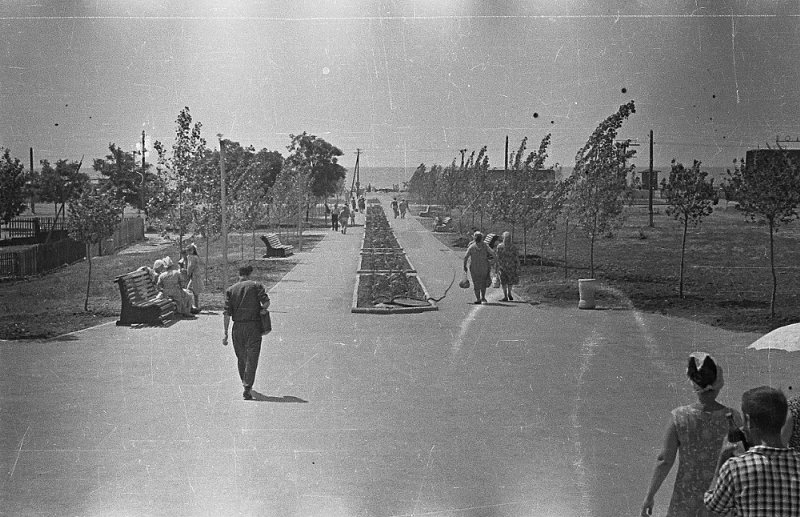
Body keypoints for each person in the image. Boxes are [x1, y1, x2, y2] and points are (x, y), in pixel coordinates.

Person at [641, 353, 741, 517]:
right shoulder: (733, 417)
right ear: (718, 382)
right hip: (720, 500)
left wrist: (649, 496)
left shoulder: (679, 416)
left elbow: (664, 460)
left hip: (685, 500)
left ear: (693, 383)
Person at [704, 386, 800, 516]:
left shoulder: (735, 468)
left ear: (749, 421)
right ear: (783, 420)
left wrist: (722, 460)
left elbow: (714, 505)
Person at [223, 264, 271, 400]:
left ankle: (244, 382)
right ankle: (247, 386)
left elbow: (226, 314)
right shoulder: (256, 286)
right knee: (252, 357)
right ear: (250, 274)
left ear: (239, 274)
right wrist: (262, 310)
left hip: (237, 328)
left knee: (241, 357)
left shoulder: (231, 290)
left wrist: (225, 333)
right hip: (253, 326)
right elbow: (266, 303)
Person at [463, 231, 495, 304]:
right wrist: (495, 262)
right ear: (482, 238)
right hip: (484, 266)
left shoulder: (472, 246)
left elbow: (466, 257)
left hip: (474, 267)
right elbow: (493, 253)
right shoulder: (485, 246)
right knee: (483, 282)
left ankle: (478, 299)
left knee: (476, 283)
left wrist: (464, 266)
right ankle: (483, 297)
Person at [495, 231, 520, 302]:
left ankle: (506, 295)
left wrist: (496, 266)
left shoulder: (500, 246)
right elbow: (516, 257)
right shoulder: (513, 247)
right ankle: (508, 293)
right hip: (510, 266)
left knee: (504, 282)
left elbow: (497, 257)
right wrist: (518, 266)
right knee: (509, 281)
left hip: (504, 266)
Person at [183, 243, 204, 311]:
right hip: (195, 275)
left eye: (190, 250)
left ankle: (194, 306)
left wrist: (188, 273)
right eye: (187, 251)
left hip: (194, 275)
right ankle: (194, 305)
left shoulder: (191, 257)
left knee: (192, 290)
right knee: (193, 290)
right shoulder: (194, 256)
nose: (188, 252)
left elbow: (190, 266)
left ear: (193, 250)